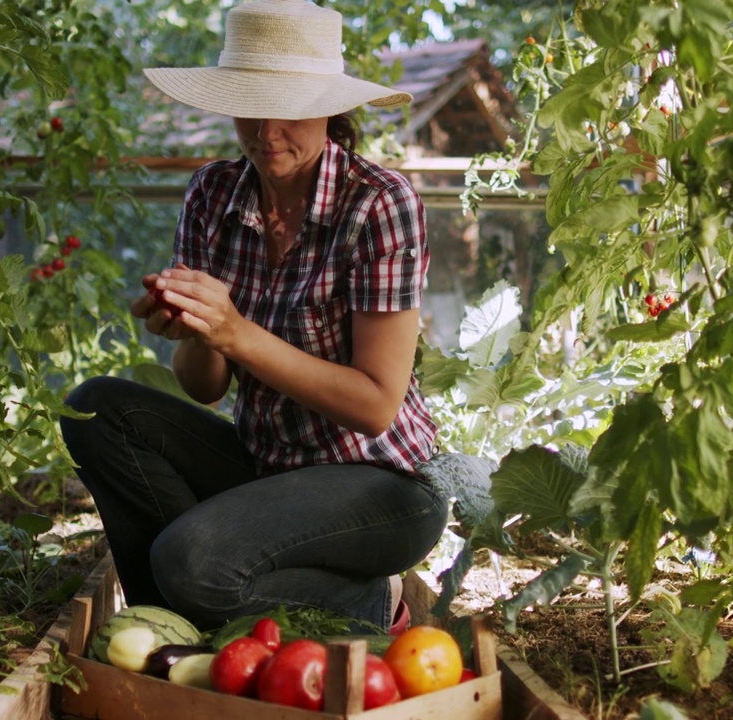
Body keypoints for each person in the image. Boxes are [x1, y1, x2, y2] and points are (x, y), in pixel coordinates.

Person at [59, 0, 447, 636]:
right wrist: (193, 330)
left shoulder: (379, 204)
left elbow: (376, 404)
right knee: (98, 408)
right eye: (249, 103)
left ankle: (368, 605)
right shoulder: (214, 193)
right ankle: (177, 616)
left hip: (380, 483)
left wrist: (235, 329)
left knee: (193, 561)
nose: (267, 131)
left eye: (291, 109)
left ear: (331, 107)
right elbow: (204, 386)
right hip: (266, 465)